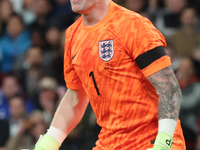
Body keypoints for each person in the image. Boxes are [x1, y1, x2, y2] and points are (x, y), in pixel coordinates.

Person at [34, 0, 186, 150]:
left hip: (151, 140)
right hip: (109, 142)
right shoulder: (72, 35)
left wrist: (164, 143)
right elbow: (75, 97)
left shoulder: (133, 25)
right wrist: (47, 144)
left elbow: (169, 88)